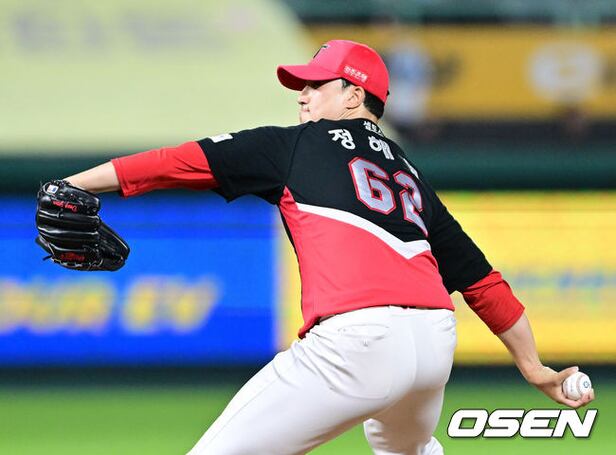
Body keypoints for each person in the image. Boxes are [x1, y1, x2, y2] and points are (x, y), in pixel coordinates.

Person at [49, 40, 594, 454]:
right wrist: (533, 367)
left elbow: (175, 162)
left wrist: (73, 184)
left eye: (315, 85)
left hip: (357, 339)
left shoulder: (293, 146)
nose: (302, 95)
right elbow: (481, 281)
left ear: (354, 95)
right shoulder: (409, 174)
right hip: (433, 342)